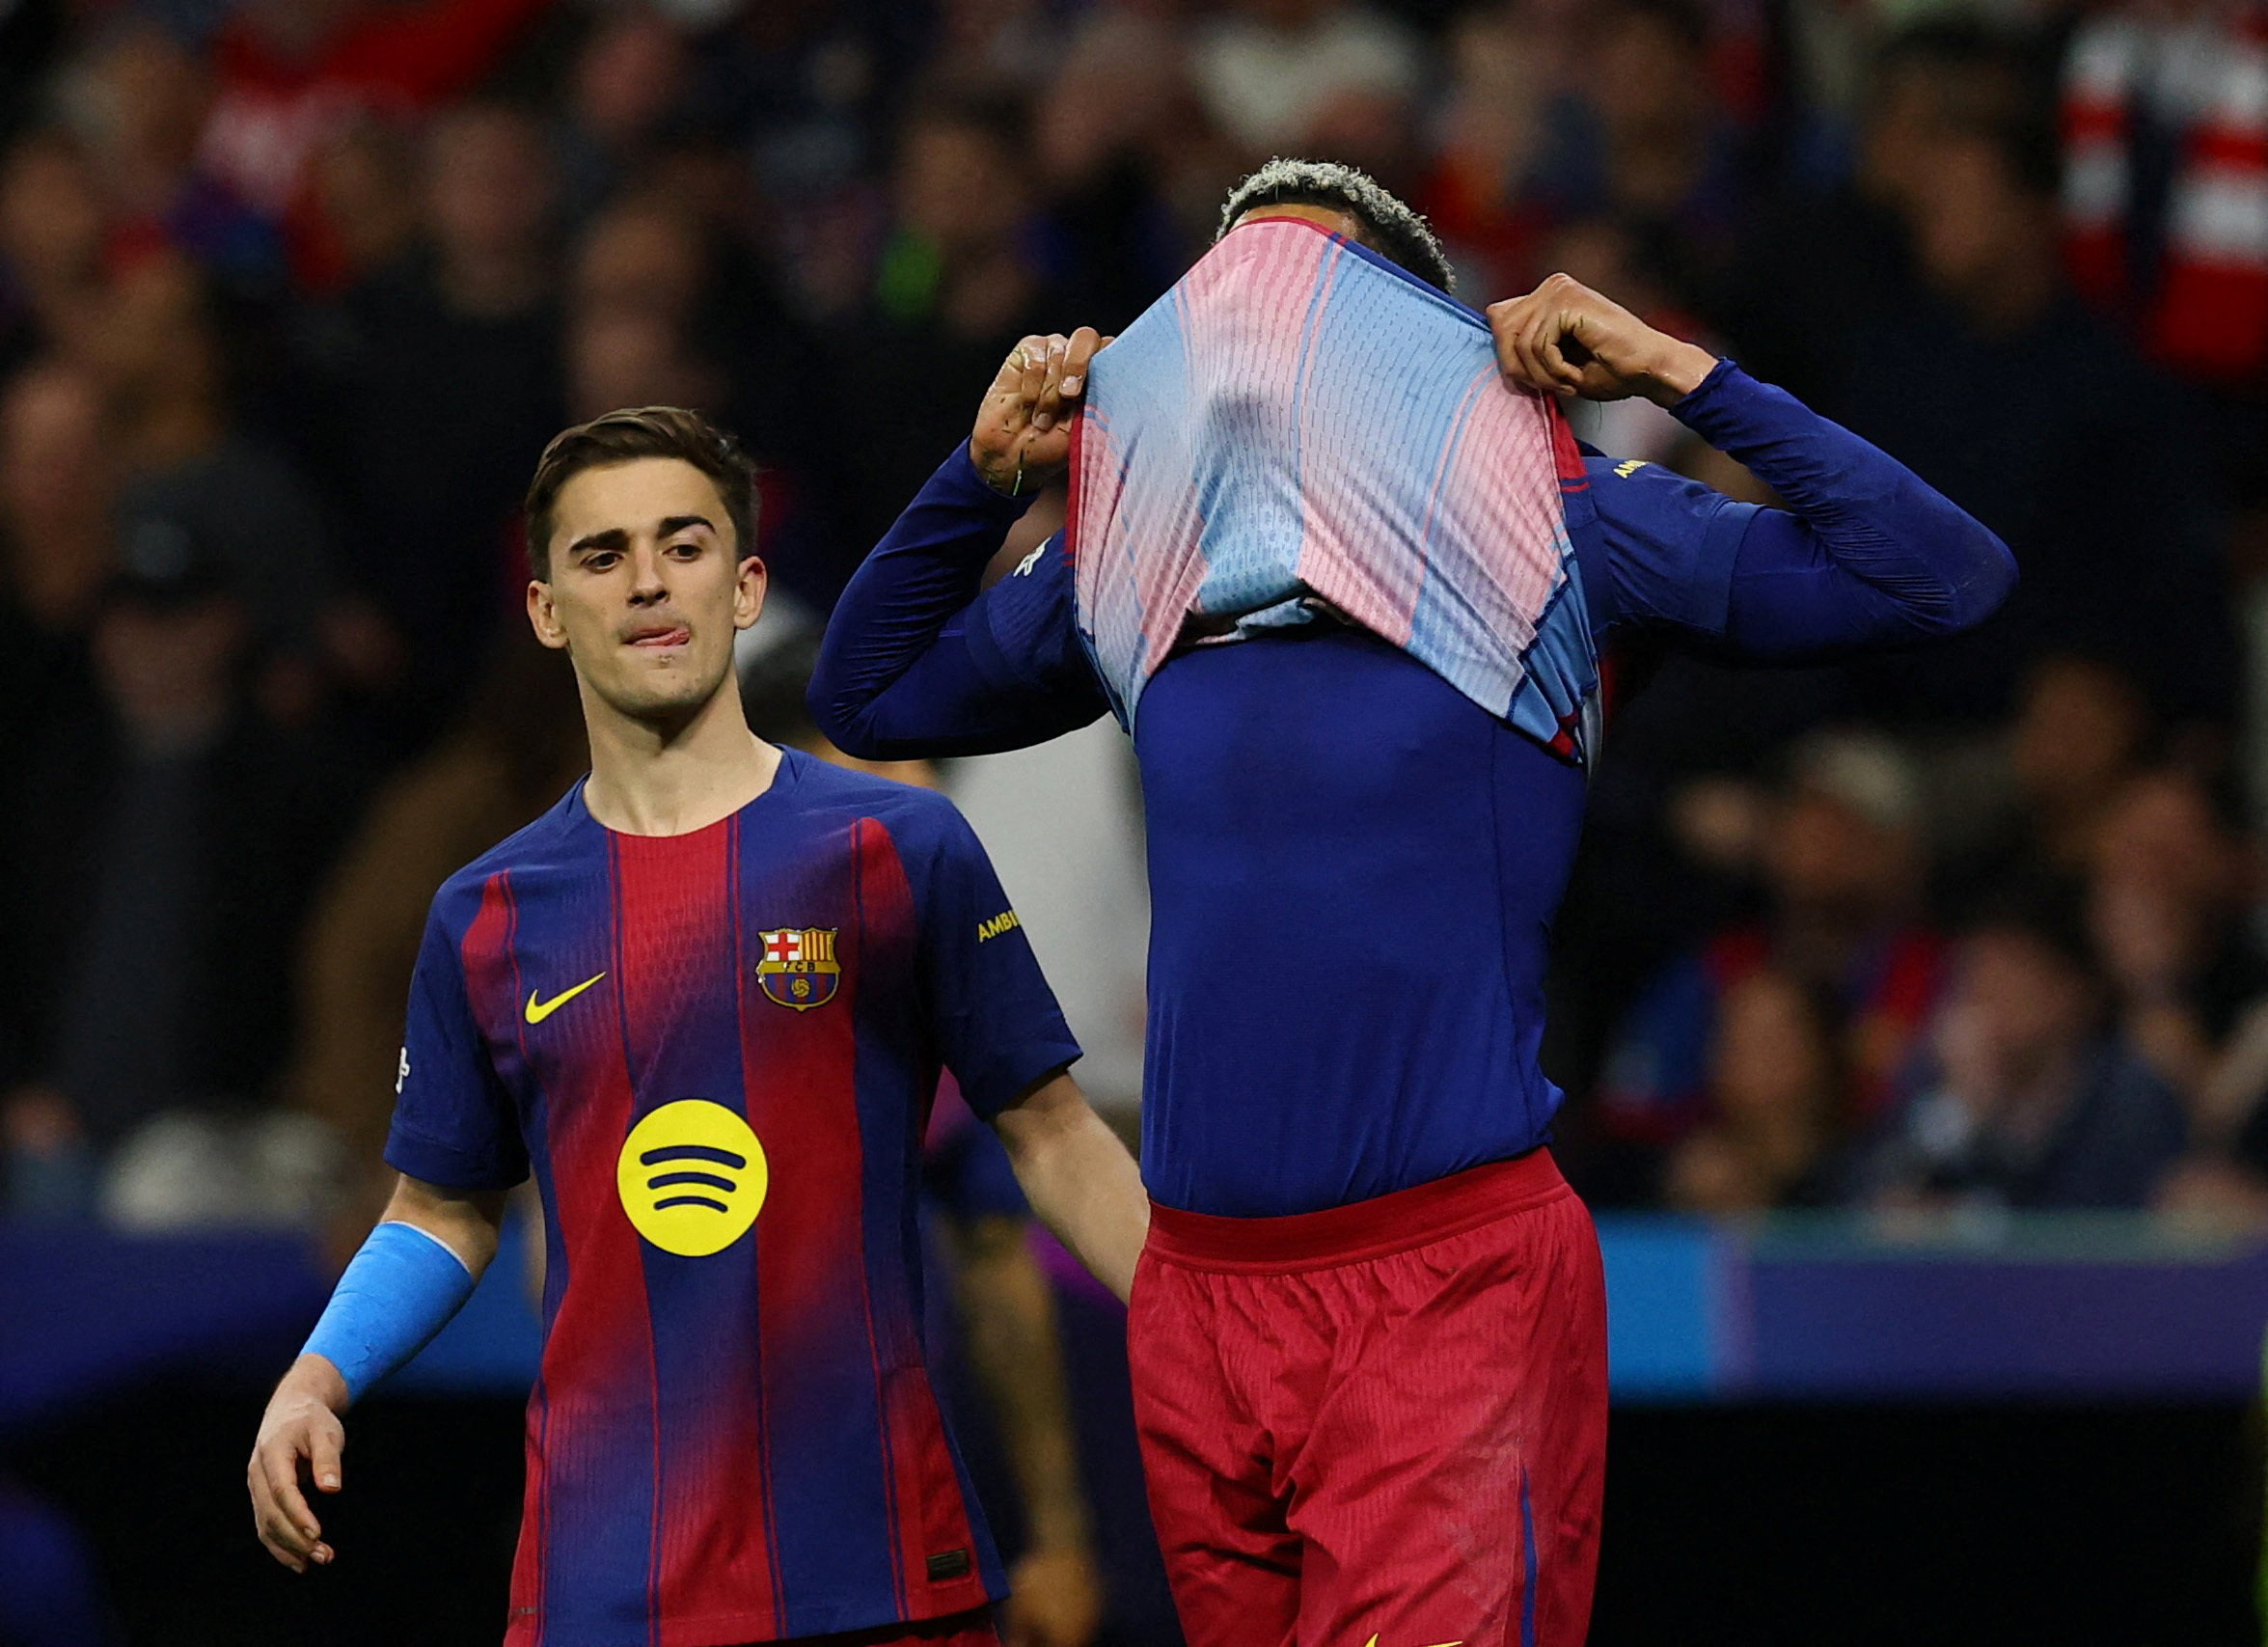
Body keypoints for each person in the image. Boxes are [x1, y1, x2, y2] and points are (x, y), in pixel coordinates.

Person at [810, 158, 2015, 1647]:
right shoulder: (1125, 567)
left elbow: (1939, 578)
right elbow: (860, 687)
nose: (1251, 324)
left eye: (1303, 281)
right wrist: (980, 471)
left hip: (1444, 1299)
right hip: (1192, 1304)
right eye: (1226, 279)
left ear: (1418, 328)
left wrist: (1667, 369)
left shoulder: (1564, 517)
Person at [246, 406, 1149, 1646]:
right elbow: (440, 1208)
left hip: (882, 1565)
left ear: (744, 584)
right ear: (545, 610)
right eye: (602, 555)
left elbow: (1052, 1136)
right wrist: (316, 1376)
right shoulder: (488, 914)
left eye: (682, 543)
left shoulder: (897, 845)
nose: (649, 580)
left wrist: (1200, 1332)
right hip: (604, 1585)